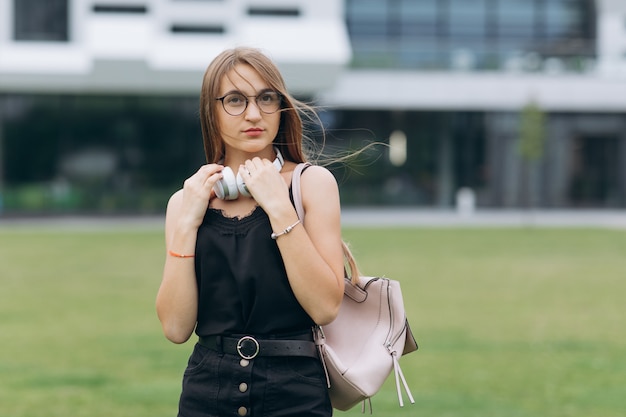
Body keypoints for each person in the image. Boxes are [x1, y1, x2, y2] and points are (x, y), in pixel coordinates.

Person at [156, 47, 346, 417]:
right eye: (235, 100)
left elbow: (325, 307)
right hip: (205, 396)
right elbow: (177, 328)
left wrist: (277, 205)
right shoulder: (186, 201)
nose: (254, 114)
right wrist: (186, 222)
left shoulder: (311, 185)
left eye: (266, 98)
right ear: (211, 111)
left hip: (295, 397)